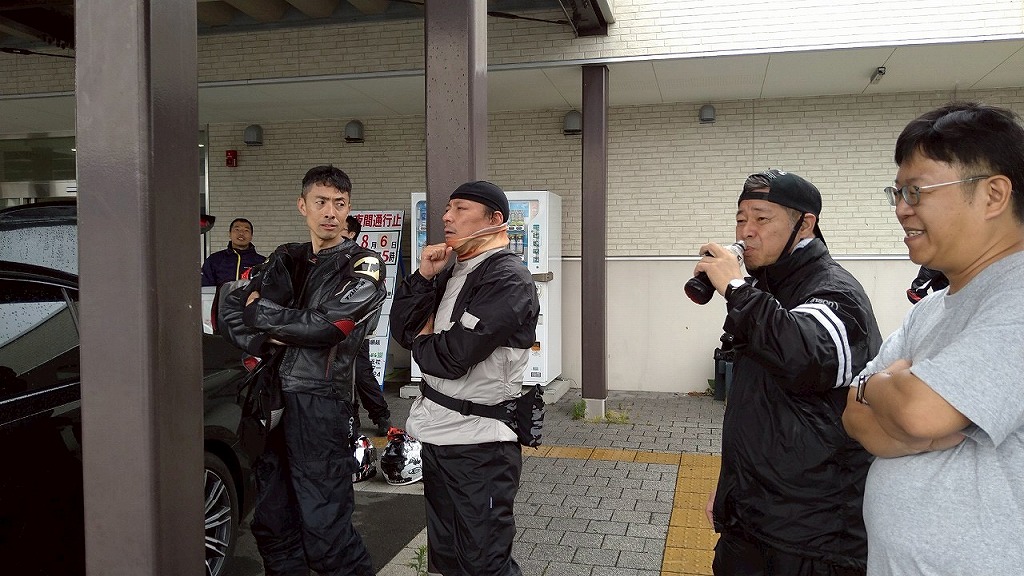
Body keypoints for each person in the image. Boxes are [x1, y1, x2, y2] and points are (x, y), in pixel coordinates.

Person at [842, 102, 1024, 575]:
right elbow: (853, 414)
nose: (902, 209)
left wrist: (884, 391)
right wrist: (890, 397)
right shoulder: (933, 306)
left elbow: (920, 412)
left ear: (993, 195)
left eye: (916, 191)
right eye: (897, 193)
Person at [693, 169, 881, 576]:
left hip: (813, 533)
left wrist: (738, 289)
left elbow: (804, 357)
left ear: (805, 224)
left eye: (762, 219)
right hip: (750, 518)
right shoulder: (767, 287)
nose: (747, 231)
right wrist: (729, 487)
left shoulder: (834, 290)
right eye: (741, 219)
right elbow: (758, 406)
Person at [218, 165, 386, 576]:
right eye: (321, 202)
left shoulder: (363, 263)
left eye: (339, 204)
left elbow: (331, 325)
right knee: (272, 523)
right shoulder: (284, 257)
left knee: (326, 531)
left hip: (321, 402)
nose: (330, 212)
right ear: (302, 206)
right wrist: (264, 340)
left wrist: (264, 315)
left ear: (348, 209)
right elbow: (229, 306)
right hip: (270, 400)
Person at [390, 181, 539, 576]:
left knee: (484, 561)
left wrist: (422, 339)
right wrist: (423, 276)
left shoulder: (508, 278)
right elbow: (401, 329)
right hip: (437, 434)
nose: (446, 217)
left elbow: (452, 357)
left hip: (481, 445)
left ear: (495, 219)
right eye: (447, 208)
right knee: (448, 556)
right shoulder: (452, 269)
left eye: (460, 209)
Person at [342, 214, 393, 437]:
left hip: (356, 331)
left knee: (362, 375)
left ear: (351, 234)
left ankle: (381, 416)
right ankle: (350, 418)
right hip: (327, 332)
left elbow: (373, 297)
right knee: (339, 378)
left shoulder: (366, 260)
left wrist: (364, 328)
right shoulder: (324, 258)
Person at [201, 217, 265, 286]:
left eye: (246, 230)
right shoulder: (214, 260)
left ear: (251, 236)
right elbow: (205, 288)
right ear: (230, 234)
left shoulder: (262, 263)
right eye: (237, 229)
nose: (241, 233)